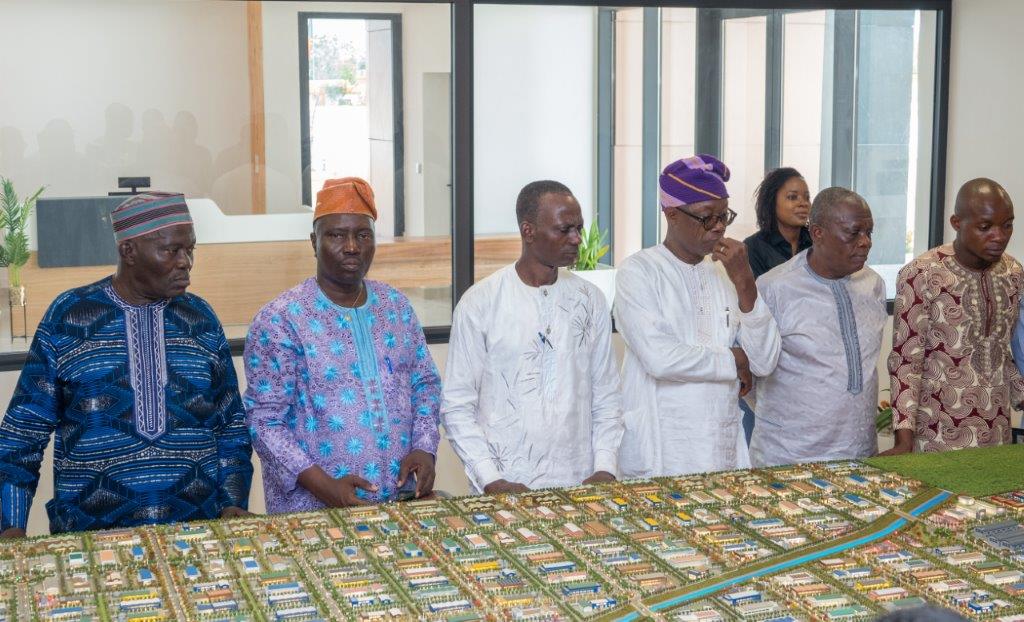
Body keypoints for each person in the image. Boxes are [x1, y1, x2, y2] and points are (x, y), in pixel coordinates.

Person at [0, 192, 252, 536]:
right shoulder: (69, 315)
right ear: (128, 251)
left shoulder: (201, 319)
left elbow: (231, 425)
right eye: (171, 250)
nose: (186, 262)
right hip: (90, 542)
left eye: (190, 249)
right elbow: (22, 434)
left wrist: (233, 501)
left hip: (198, 535)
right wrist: (10, 527)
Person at [244, 178, 442, 512]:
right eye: (336, 235)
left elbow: (424, 383)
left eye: (363, 235)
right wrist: (325, 488)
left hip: (400, 503)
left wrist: (425, 447)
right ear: (314, 242)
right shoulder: (280, 320)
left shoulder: (396, 307)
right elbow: (264, 421)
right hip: (314, 511)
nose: (352, 246)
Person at [441, 180, 623, 494]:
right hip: (503, 485)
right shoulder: (480, 303)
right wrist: (490, 479)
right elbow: (457, 405)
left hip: (581, 483)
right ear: (528, 231)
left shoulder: (590, 299)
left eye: (579, 228)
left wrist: (605, 468)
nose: (576, 239)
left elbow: (607, 395)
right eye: (564, 229)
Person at [614, 155, 780, 477]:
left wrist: (745, 282)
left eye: (724, 216)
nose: (719, 227)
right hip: (661, 449)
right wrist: (734, 359)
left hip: (720, 446)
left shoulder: (727, 273)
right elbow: (661, 359)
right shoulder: (639, 272)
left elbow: (764, 361)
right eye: (707, 218)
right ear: (672, 214)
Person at [885, 178, 1023, 454]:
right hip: (936, 434)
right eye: (985, 227)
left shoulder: (1013, 273)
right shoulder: (922, 274)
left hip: (997, 430)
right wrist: (903, 439)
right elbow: (906, 361)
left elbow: (999, 353)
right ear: (957, 223)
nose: (999, 236)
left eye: (1007, 225)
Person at [750, 187, 886, 466]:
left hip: (860, 453)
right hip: (788, 457)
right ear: (817, 233)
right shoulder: (774, 288)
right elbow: (752, 375)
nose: (865, 242)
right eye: (853, 233)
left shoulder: (873, 284)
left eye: (869, 232)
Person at [743, 167, 813, 279]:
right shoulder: (753, 247)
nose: (803, 203)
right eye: (792, 197)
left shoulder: (817, 243)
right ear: (772, 201)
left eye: (807, 197)